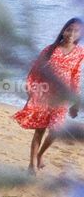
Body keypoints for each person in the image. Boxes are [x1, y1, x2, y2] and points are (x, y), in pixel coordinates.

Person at [14, 18, 84, 173]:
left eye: (76, 31)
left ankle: (39, 155)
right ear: (63, 30)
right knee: (39, 130)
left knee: (55, 131)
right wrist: (31, 90)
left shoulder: (80, 53)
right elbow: (35, 69)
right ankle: (32, 166)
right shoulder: (50, 49)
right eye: (69, 29)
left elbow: (76, 77)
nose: (71, 33)